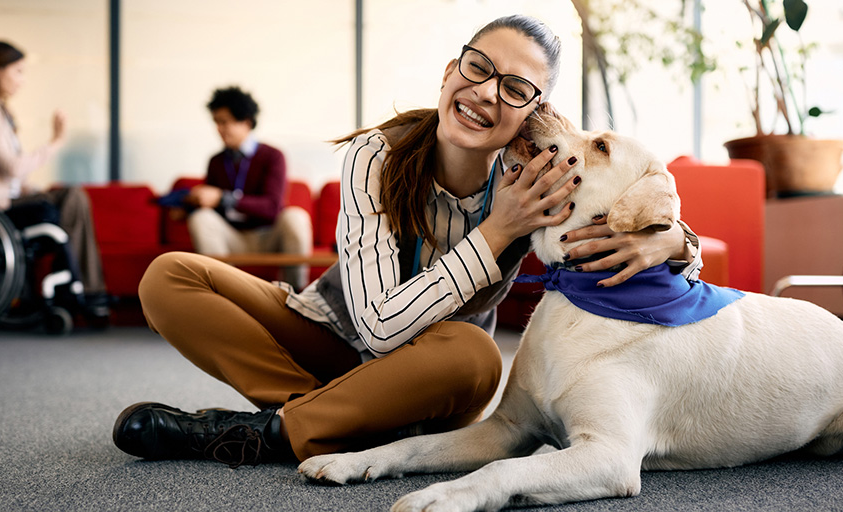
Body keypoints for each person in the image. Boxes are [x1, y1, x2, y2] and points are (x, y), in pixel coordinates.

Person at [113, 15, 702, 467]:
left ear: (533, 112)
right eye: (477, 68)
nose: (487, 93)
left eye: (516, 88)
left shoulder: (540, 174)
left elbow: (629, 197)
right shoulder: (378, 153)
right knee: (170, 276)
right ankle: (321, 419)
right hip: (332, 334)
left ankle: (280, 429)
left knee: (474, 356)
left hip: (433, 372)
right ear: (450, 73)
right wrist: (499, 228)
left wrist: (674, 241)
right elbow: (375, 328)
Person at [0, 40, 109, 319]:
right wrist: (56, 142)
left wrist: (29, 187)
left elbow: (12, 175)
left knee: (72, 197)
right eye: (17, 72)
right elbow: (11, 167)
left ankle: (79, 288)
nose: (22, 81)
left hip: (9, 199)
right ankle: (82, 289)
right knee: (70, 199)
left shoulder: (1, 112)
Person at [181, 86, 312, 290]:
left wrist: (223, 198)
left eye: (225, 122)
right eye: (216, 122)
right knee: (200, 218)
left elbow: (272, 207)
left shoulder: (273, 156)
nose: (219, 129)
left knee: (296, 217)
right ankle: (224, 293)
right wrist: (189, 206)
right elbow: (213, 209)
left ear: (246, 122)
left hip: (268, 235)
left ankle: (297, 296)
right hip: (233, 236)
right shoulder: (216, 161)